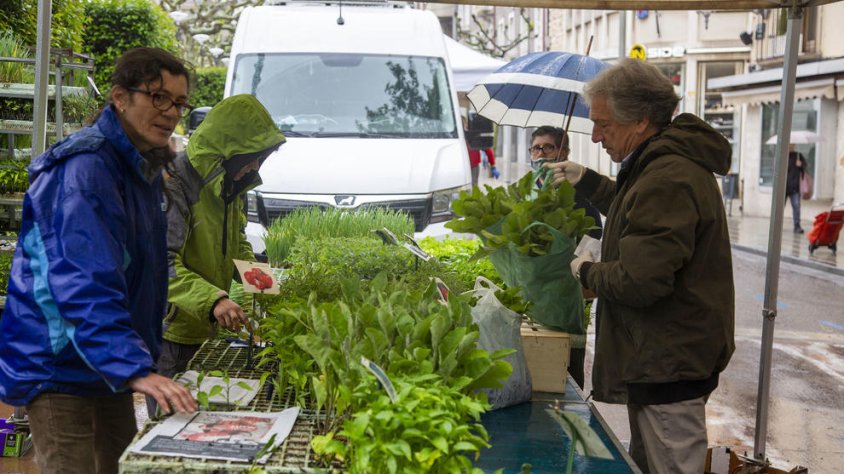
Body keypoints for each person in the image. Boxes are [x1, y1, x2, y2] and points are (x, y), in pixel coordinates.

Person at [0, 47, 198, 474]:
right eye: (158, 96)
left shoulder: (139, 167)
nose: (170, 112)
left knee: (120, 464)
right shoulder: (87, 168)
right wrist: (132, 365)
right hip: (60, 363)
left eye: (179, 103)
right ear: (119, 97)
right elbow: (82, 278)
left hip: (104, 359)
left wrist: (131, 361)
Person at [548, 59, 735, 474]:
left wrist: (584, 271)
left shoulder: (666, 176)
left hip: (669, 365)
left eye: (604, 125)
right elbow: (637, 211)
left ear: (640, 122)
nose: (595, 136)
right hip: (661, 359)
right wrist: (589, 181)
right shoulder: (659, 163)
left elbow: (640, 279)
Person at [156, 94, 286, 386]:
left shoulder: (230, 183)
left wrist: (263, 281)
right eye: (250, 158)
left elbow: (236, 243)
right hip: (169, 330)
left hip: (204, 324)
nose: (254, 167)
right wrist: (215, 300)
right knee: (171, 419)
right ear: (227, 151)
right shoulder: (174, 184)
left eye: (259, 159)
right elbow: (159, 263)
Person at [529, 125, 602, 389]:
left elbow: (593, 236)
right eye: (537, 148)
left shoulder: (579, 193)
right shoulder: (527, 190)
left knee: (566, 369)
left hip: (569, 294)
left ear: (565, 152)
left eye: (549, 147)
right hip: (534, 293)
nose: (542, 153)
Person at [463, 116, 499, 187]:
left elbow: (487, 149)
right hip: (461, 167)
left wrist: (493, 166)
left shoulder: (474, 134)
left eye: (464, 123)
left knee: (473, 187)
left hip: (473, 166)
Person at [786, 143, 806, 233]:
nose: (791, 146)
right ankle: (775, 225)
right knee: (778, 207)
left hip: (795, 187)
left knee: (796, 206)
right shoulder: (782, 156)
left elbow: (805, 167)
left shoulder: (798, 156)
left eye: (792, 144)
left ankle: (797, 226)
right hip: (783, 187)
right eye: (789, 144)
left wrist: (800, 165)